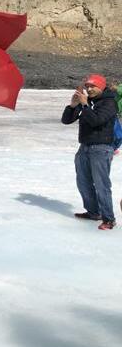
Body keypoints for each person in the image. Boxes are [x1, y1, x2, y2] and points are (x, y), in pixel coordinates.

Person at [61, 74, 117, 230]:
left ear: (102, 87)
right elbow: (66, 120)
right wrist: (73, 106)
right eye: (87, 87)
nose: (90, 89)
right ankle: (93, 212)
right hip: (84, 147)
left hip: (101, 148)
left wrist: (85, 105)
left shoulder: (109, 102)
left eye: (93, 86)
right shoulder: (88, 102)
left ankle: (109, 219)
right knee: (83, 182)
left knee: (101, 184)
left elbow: (96, 120)